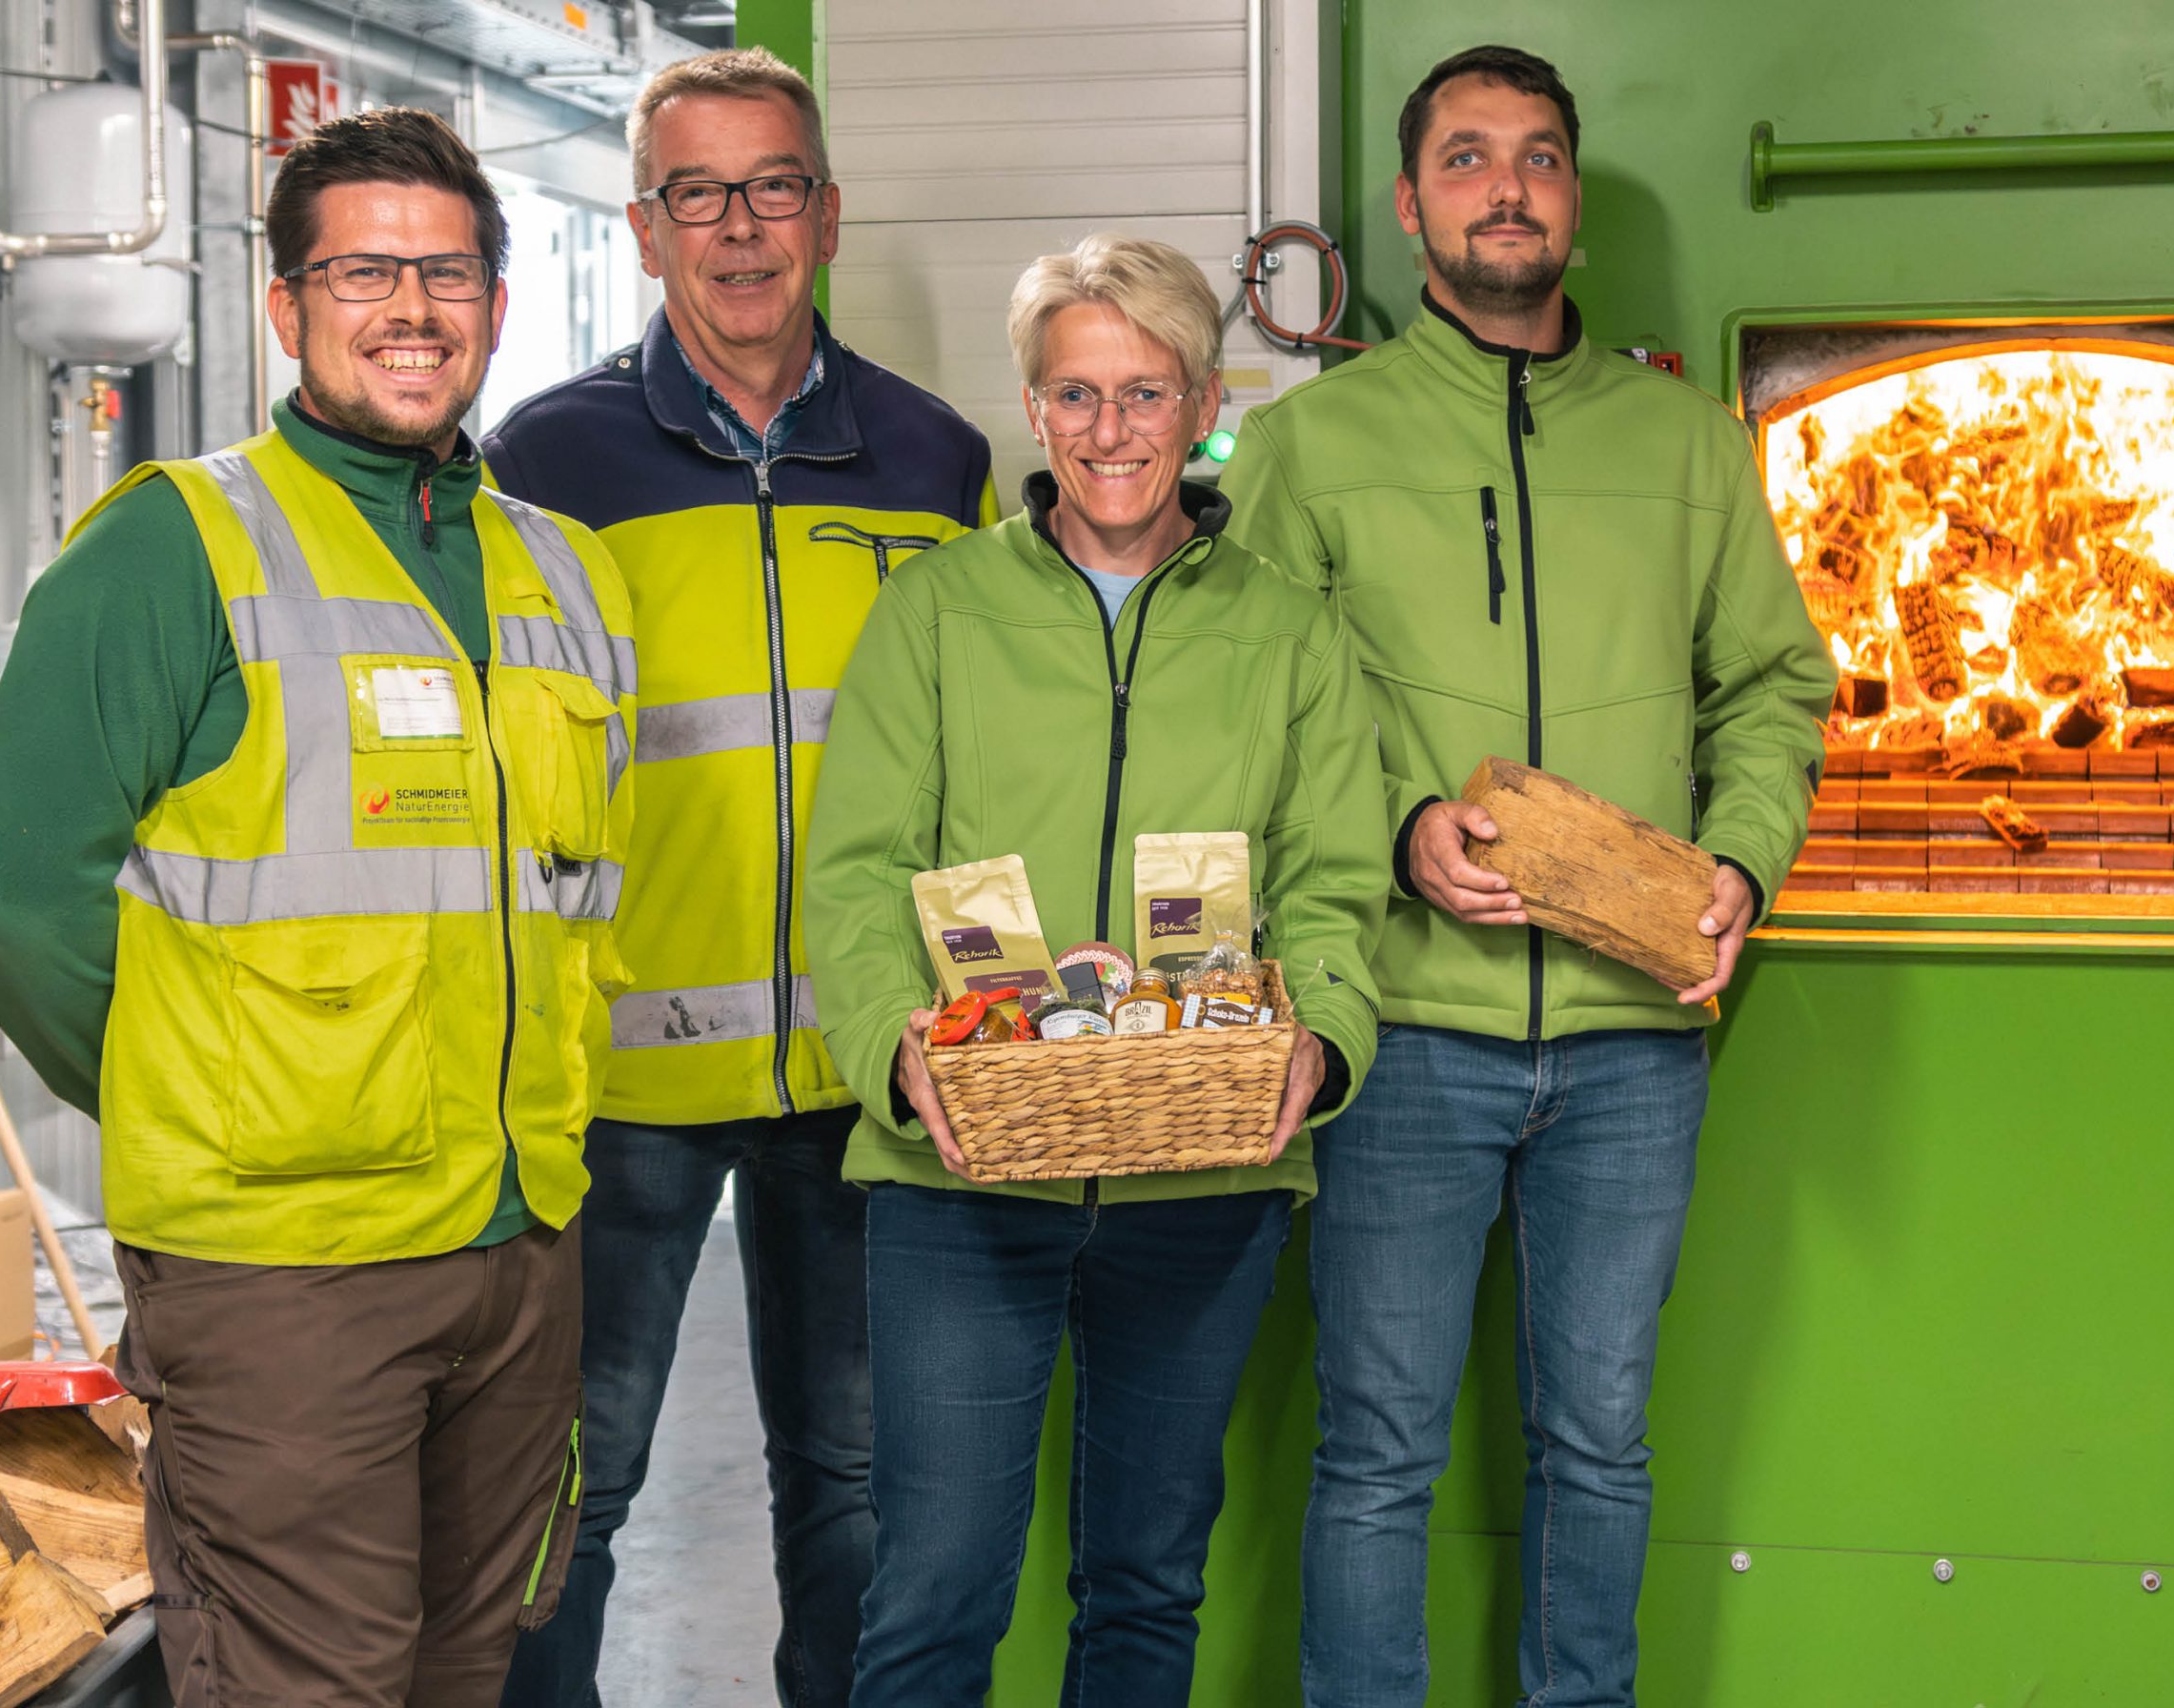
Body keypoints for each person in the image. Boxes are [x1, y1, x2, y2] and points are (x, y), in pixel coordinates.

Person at [0, 108, 635, 1706]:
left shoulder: (567, 574)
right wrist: (205, 1089)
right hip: (282, 1279)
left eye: (448, 272)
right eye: (366, 272)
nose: (413, 308)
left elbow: (586, 900)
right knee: (301, 1688)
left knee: (467, 1673)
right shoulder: (175, 548)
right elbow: (15, 909)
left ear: (498, 300)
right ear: (286, 309)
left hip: (516, 1250)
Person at [1219, 44, 1836, 1708]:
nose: (1512, 186)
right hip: (1406, 1035)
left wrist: (1742, 867)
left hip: (1637, 1042)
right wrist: (1406, 824)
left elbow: (1775, 685)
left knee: (1601, 1443)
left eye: (1543, 157)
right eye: (1472, 157)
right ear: (1412, 203)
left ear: (1570, 198)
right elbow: (1262, 701)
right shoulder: (1316, 445)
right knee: (1377, 1458)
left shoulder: (1691, 445)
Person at [804, 233, 1388, 1708]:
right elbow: (857, 867)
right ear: (1032, 407)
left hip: (1204, 1182)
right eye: (1074, 394)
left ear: (1202, 407)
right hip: (960, 1183)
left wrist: (1319, 1039)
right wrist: (896, 1050)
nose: (1109, 431)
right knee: (934, 1591)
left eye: (1144, 393)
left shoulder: (1291, 632)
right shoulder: (937, 614)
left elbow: (1334, 886)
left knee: (1143, 1586)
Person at [482, 48, 994, 1708]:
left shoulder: (935, 461)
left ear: (828, 214)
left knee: (848, 1491)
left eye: (774, 185)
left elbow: (980, 764)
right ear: (643, 228)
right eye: (698, 192)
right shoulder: (543, 462)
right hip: (625, 1075)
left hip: (866, 1064)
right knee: (577, 1493)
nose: (741, 227)